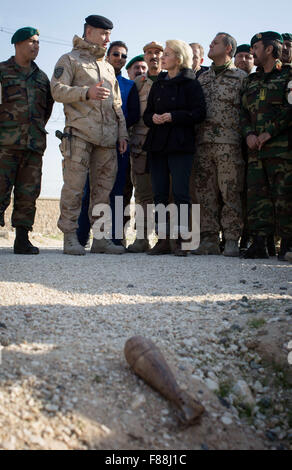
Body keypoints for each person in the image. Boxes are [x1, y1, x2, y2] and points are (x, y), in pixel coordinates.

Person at [51, 15, 128, 255]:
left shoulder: (107, 66)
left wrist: (122, 133)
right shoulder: (69, 59)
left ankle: (101, 238)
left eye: (109, 34)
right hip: (80, 134)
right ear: (89, 32)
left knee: (103, 190)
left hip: (107, 138)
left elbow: (117, 103)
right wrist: (87, 92)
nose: (108, 39)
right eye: (104, 34)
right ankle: (70, 237)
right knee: (74, 188)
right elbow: (57, 90)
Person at [143, 40, 206, 256]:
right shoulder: (158, 84)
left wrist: (173, 116)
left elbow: (199, 113)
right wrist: (153, 118)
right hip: (158, 145)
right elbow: (146, 115)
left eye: (167, 54)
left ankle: (181, 241)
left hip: (181, 144)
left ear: (178, 58)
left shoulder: (191, 84)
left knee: (180, 194)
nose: (162, 57)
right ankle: (162, 240)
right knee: (159, 194)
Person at [76, 40, 140, 250]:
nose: (119, 59)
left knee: (117, 192)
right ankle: (81, 236)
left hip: (118, 144)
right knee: (89, 190)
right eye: (116, 54)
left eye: (123, 56)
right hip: (94, 141)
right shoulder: (95, 78)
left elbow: (133, 115)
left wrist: (115, 130)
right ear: (108, 56)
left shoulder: (130, 86)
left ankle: (111, 238)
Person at [192, 32, 247, 257]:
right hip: (203, 143)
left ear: (227, 49)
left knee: (230, 191)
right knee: (205, 193)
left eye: (215, 43)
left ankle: (232, 239)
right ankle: (209, 239)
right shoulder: (202, 79)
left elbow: (247, 112)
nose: (210, 46)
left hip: (229, 144)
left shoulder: (241, 77)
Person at [0, 27, 53, 255]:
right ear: (18, 43)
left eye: (38, 42)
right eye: (32, 41)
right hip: (5, 143)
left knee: (29, 192)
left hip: (33, 145)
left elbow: (47, 110)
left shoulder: (42, 77)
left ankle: (22, 239)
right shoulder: (2, 71)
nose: (36, 46)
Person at [241, 31, 292, 260]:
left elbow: (290, 109)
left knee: (284, 197)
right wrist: (249, 133)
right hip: (255, 151)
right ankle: (260, 243)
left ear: (269, 49)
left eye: (256, 48)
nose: (253, 52)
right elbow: (242, 112)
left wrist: (270, 131)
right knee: (257, 197)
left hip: (281, 150)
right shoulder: (251, 80)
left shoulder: (289, 76)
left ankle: (288, 245)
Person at [127, 41, 164, 253]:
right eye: (149, 53)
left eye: (158, 53)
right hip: (141, 146)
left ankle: (167, 237)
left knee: (165, 193)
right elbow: (131, 115)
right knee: (142, 194)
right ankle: (141, 237)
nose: (153, 56)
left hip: (163, 146)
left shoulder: (169, 81)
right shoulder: (138, 84)